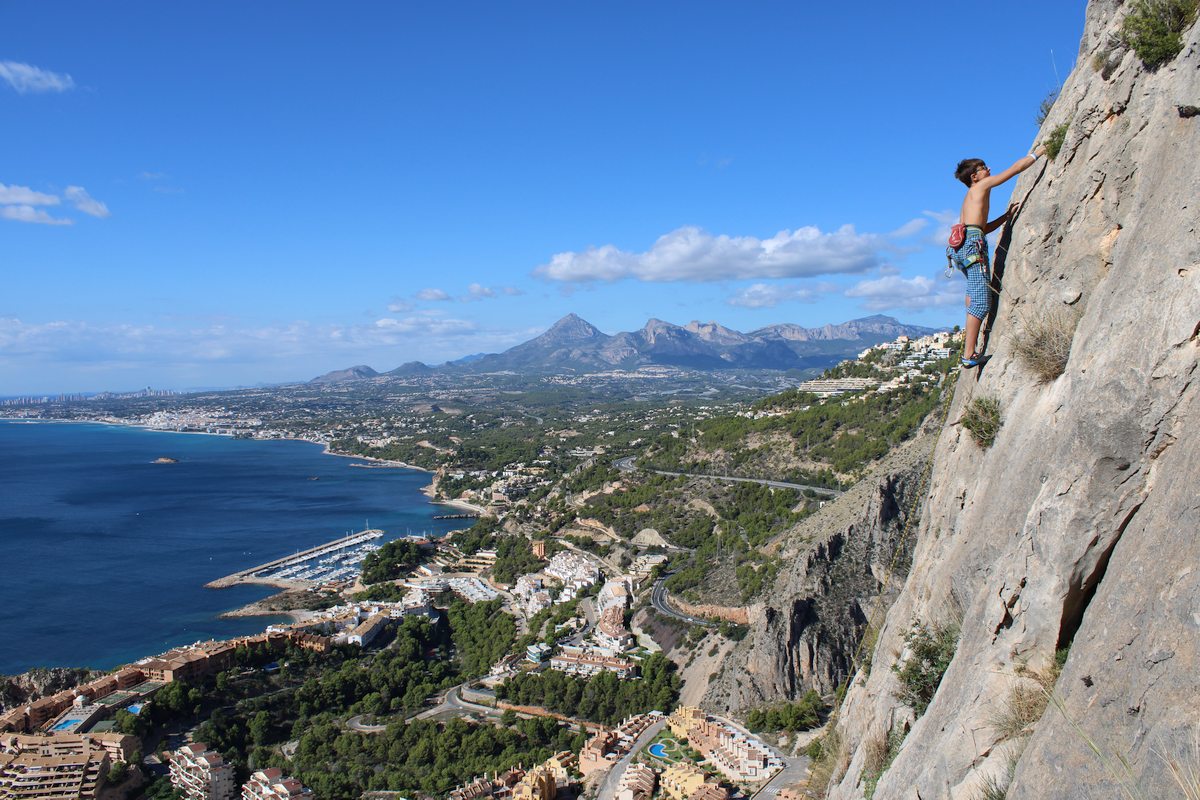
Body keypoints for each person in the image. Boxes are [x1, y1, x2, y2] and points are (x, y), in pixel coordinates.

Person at [951, 143, 1047, 367]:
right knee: (981, 302)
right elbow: (1014, 169)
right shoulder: (981, 186)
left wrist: (1005, 217)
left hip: (964, 247)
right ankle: (968, 355)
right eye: (983, 167)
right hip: (973, 247)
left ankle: (969, 350)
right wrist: (1038, 154)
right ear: (975, 176)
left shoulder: (970, 197)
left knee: (973, 294)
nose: (988, 169)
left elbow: (980, 227)